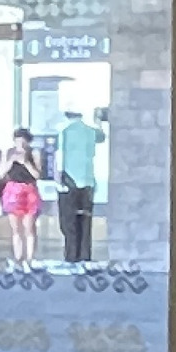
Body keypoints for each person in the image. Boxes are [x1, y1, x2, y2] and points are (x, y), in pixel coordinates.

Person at [55, 109, 102, 263]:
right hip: (88, 181)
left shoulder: (65, 131)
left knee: (69, 222)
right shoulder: (90, 131)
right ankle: (84, 255)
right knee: (85, 219)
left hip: (70, 181)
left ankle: (71, 255)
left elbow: (60, 155)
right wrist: (98, 121)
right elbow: (101, 137)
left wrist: (58, 180)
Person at [0, 127, 46, 267]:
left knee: (29, 227)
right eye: (18, 141)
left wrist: (26, 162)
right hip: (13, 190)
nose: (20, 144)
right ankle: (18, 256)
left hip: (28, 190)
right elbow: (1, 173)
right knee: (15, 228)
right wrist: (11, 161)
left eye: (23, 142)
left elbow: (37, 175)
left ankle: (30, 258)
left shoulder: (34, 153)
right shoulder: (9, 153)